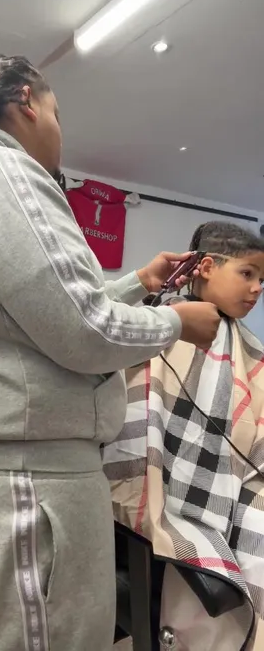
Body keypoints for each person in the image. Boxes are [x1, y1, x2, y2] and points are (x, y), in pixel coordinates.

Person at [0, 52, 220, 651]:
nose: (59, 132)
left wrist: (139, 284)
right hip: (25, 478)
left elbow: (47, 313)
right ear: (27, 100)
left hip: (15, 468)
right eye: (57, 114)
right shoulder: (0, 171)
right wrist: (176, 323)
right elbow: (86, 333)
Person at [104, 221, 264, 651]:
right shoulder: (159, 323)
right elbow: (135, 420)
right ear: (206, 267)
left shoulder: (247, 346)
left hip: (237, 483)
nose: (257, 289)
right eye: (247, 273)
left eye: (261, 280)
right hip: (169, 492)